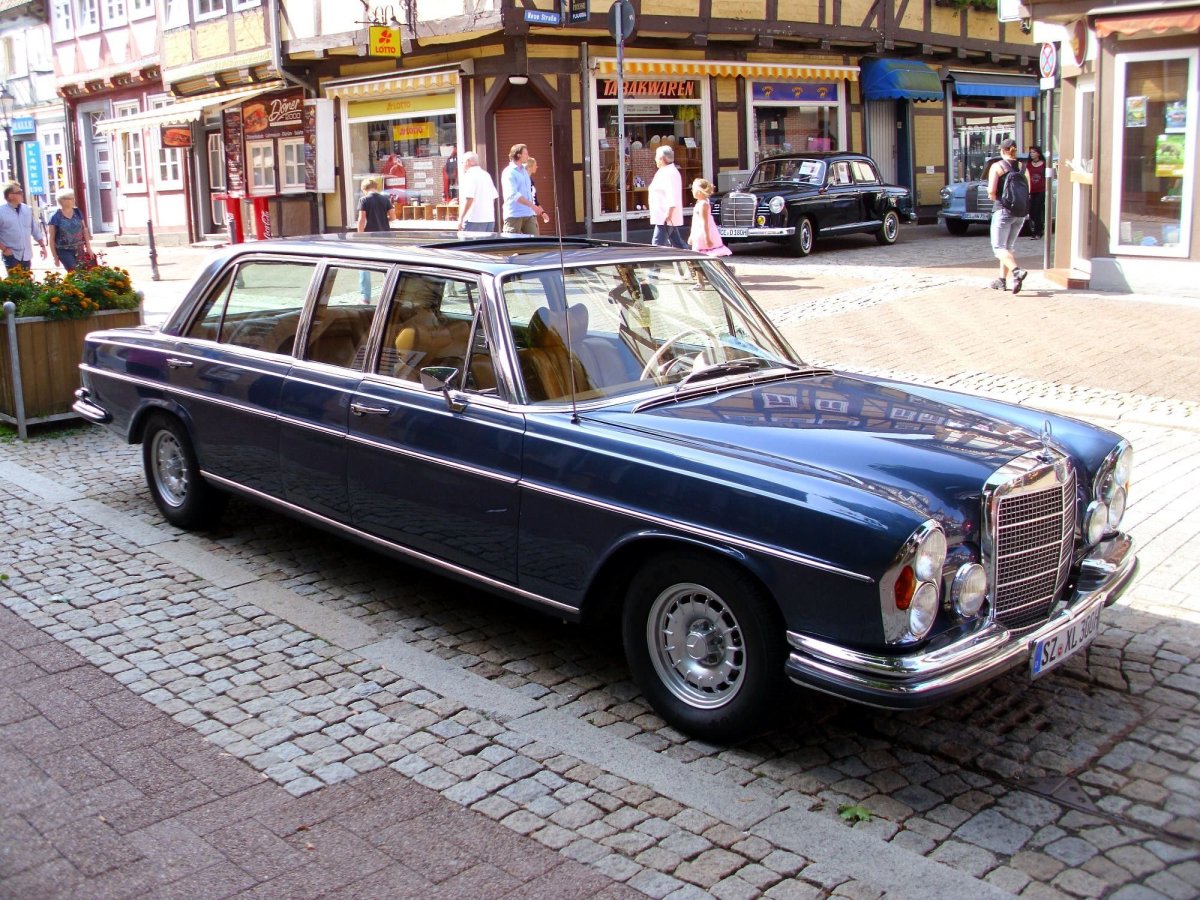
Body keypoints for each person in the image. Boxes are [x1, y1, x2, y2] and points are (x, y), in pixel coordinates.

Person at [987, 139, 1029, 294]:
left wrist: (994, 198)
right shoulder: (1024, 168)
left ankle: (1016, 271)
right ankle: (1002, 280)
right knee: (1008, 247)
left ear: (1001, 150)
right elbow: (1027, 191)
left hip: (1003, 210)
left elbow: (991, 191)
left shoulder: (997, 166)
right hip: (1020, 213)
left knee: (998, 248)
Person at [0, 181, 47, 274]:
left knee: (26, 284)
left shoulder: (27, 209)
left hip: (26, 254)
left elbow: (35, 230)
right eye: (19, 192)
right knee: (15, 284)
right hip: (11, 254)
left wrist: (42, 246)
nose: (22, 194)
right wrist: (4, 249)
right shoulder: (1, 212)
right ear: (10, 195)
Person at [649, 145, 687, 249]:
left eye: (657, 157)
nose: (655, 159)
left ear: (662, 159)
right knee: (678, 245)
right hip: (664, 216)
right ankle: (695, 260)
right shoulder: (665, 171)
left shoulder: (670, 173)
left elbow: (672, 194)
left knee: (657, 246)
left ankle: (655, 265)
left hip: (665, 216)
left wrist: (668, 214)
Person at [501, 143, 544, 236]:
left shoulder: (524, 170)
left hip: (528, 214)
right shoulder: (509, 172)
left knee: (535, 243)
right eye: (526, 154)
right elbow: (514, 195)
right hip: (514, 215)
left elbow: (529, 192)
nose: (528, 156)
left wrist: (534, 207)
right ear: (518, 155)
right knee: (512, 246)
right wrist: (532, 206)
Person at [47, 189, 92, 271]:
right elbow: (51, 238)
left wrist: (88, 247)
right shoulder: (55, 216)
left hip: (79, 249)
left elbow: (84, 229)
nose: (73, 200)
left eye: (73, 198)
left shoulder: (77, 212)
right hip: (64, 250)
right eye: (71, 198)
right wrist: (55, 257)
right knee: (74, 272)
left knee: (84, 272)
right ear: (62, 201)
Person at [456, 151, 498, 233]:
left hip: (473, 219)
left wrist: (461, 218)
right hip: (489, 219)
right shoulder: (486, 175)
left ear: (468, 161)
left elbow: (469, 199)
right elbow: (493, 197)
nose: (462, 165)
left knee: (469, 245)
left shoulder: (469, 175)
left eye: (462, 162)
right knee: (486, 245)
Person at [687, 178, 731, 257]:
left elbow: (705, 222)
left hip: (702, 232)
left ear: (699, 192)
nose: (692, 191)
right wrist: (692, 235)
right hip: (697, 230)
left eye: (693, 189)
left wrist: (707, 238)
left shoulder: (703, 204)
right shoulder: (701, 202)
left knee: (703, 254)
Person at [524, 156, 552, 233]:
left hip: (532, 215)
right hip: (523, 215)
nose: (537, 167)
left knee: (535, 236)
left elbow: (535, 200)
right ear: (530, 167)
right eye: (535, 165)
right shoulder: (523, 180)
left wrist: (543, 213)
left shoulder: (531, 180)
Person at [1027, 145, 1048, 240]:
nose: (1032, 154)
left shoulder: (1044, 164)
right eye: (1031, 152)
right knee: (1031, 211)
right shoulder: (1028, 164)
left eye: (1034, 152)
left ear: (1038, 153)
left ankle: (1037, 232)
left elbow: (1048, 177)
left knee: (1037, 210)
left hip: (1041, 190)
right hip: (1031, 191)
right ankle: (1038, 229)